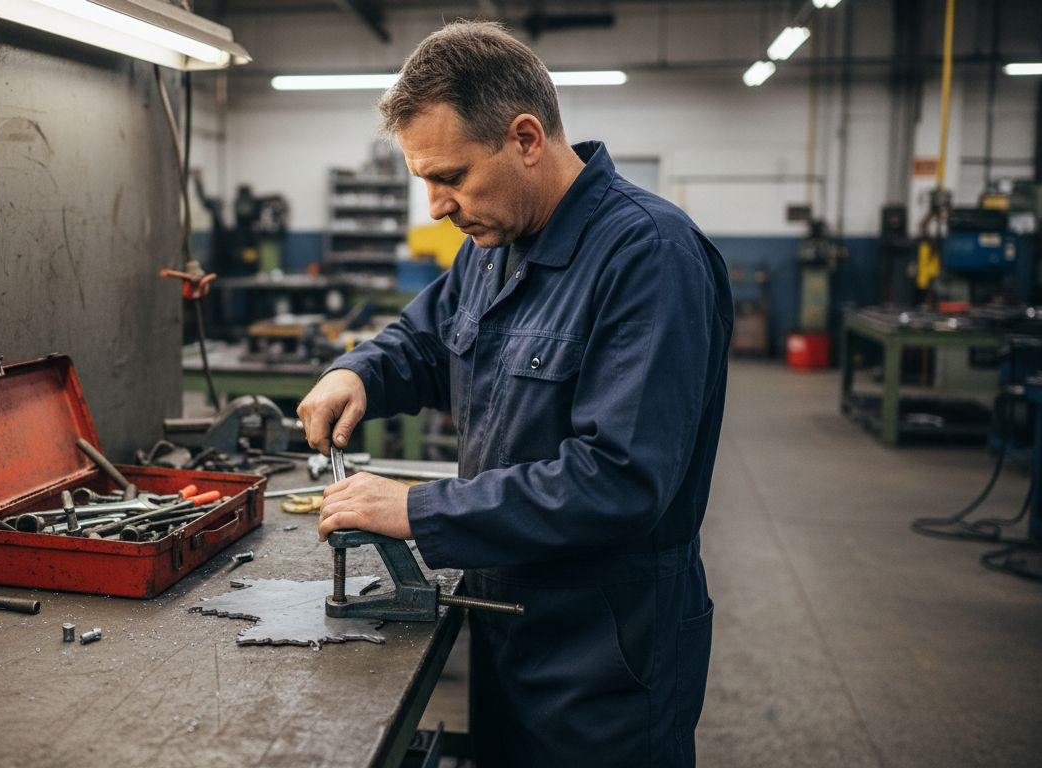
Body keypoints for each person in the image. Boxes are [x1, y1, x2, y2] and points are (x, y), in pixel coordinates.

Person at [298, 21, 732, 768]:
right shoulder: (494, 246)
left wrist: (415, 508)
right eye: (425, 181)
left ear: (526, 138)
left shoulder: (649, 257)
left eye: (452, 177)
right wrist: (358, 370)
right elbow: (428, 340)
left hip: (605, 653)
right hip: (506, 620)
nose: (436, 206)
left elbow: (620, 480)